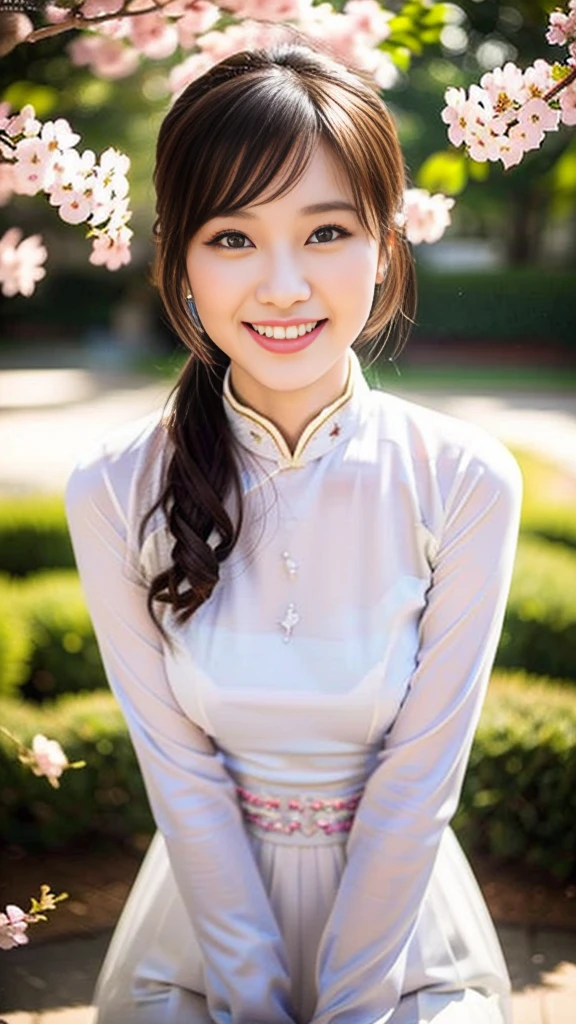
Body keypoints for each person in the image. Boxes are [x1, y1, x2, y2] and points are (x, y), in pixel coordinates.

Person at [65, 32, 523, 1024]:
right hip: (197, 934)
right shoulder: (110, 487)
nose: (282, 286)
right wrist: (254, 1002)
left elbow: (418, 783)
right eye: (232, 237)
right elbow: (181, 779)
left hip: (408, 945)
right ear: (176, 256)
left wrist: (355, 1010)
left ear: (386, 247)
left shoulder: (462, 479)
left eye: (325, 233)